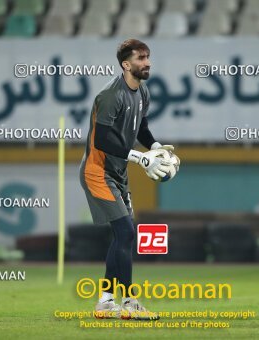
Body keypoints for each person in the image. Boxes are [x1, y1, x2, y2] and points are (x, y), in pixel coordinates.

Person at [79, 39, 176, 320]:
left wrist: (154, 147)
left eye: (148, 57)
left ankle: (106, 301)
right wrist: (140, 158)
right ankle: (130, 303)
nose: (147, 62)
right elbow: (103, 139)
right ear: (126, 64)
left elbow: (141, 126)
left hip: (117, 175)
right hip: (97, 173)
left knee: (121, 236)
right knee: (126, 233)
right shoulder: (111, 96)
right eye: (141, 58)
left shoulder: (142, 92)